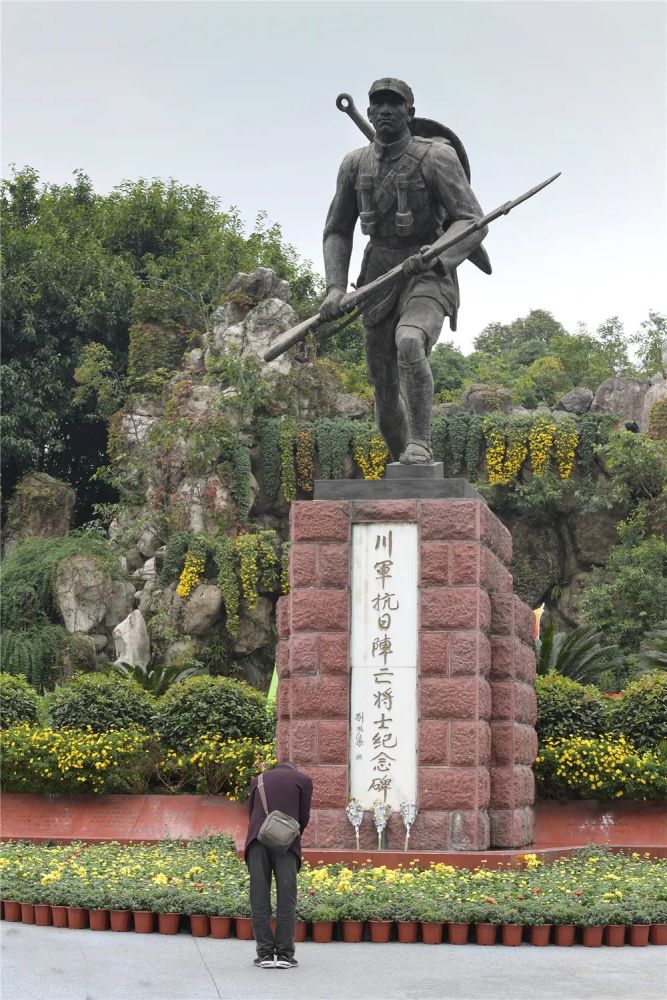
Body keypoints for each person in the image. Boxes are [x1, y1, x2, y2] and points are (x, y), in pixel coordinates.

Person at [320, 77, 488, 465]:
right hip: (377, 275)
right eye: (377, 104)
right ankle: (404, 467)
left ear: (409, 112)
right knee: (382, 383)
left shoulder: (435, 157)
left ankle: (420, 445)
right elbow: (336, 230)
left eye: (394, 104)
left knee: (410, 341)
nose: (384, 111)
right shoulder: (353, 164)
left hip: (428, 270)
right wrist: (334, 288)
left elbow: (472, 221)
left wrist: (438, 255)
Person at [244, 761, 313, 969]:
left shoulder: (259, 780)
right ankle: (284, 955)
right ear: (293, 769)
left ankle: (264, 954)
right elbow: (303, 817)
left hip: (257, 841)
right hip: (286, 845)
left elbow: (251, 814)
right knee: (286, 897)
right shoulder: (303, 780)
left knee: (259, 896)